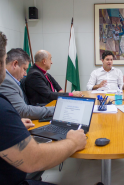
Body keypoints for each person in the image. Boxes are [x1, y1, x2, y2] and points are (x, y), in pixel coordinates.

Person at [0, 32, 87, 185]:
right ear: (13, 64)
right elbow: (33, 159)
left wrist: (16, 122)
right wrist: (73, 142)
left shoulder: (42, 75)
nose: (25, 74)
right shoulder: (12, 83)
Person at [0, 48, 55, 120]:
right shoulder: (6, 81)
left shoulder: (10, 79)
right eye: (24, 69)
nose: (25, 74)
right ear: (15, 64)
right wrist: (55, 110)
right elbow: (23, 111)